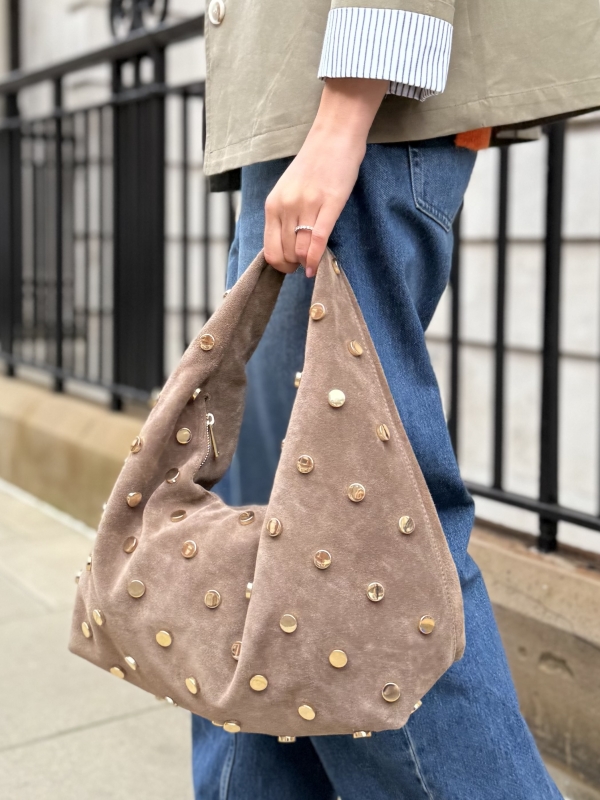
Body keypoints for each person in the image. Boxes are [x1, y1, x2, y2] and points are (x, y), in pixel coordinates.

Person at [193, 2, 600, 797]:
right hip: (306, 116)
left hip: (352, 113)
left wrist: (345, 112)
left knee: (359, 547)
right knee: (267, 543)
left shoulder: (347, 113)